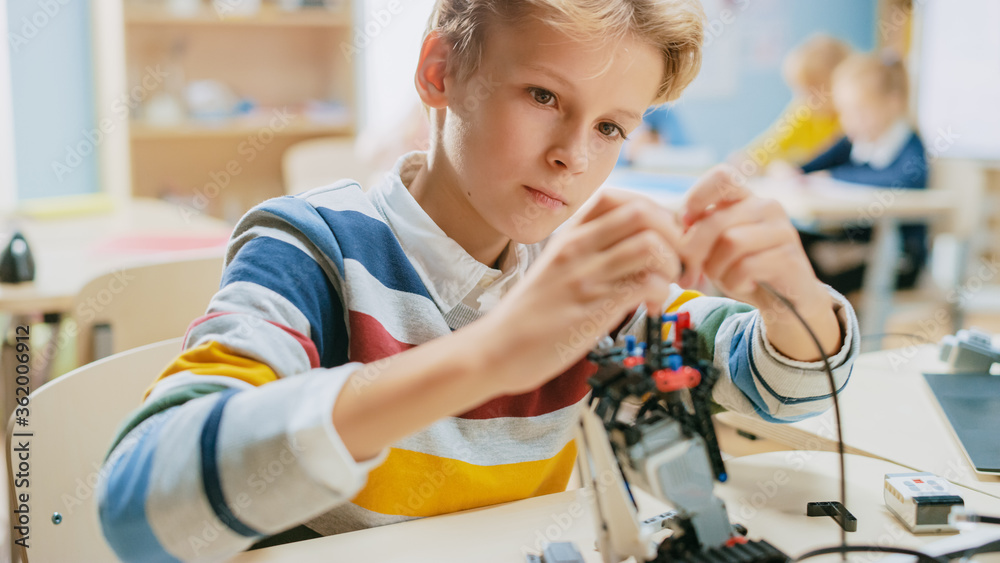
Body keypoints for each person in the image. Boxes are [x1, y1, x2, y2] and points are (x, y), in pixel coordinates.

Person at [96, 2, 860, 561]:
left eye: (610, 127)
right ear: (439, 72)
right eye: (543, 96)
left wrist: (793, 297)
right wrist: (490, 353)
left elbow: (780, 385)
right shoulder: (313, 247)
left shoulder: (580, 267)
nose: (574, 156)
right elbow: (138, 510)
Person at [799, 52, 928, 294]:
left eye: (859, 111)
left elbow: (902, 180)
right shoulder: (856, 140)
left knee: (810, 273)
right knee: (793, 241)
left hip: (900, 260)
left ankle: (830, 326)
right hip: (858, 243)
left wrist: (833, 177)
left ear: (893, 103)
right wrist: (794, 172)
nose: (849, 122)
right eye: (845, 112)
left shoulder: (909, 145)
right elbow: (813, 165)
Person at [737, 34, 852, 173]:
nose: (806, 99)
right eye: (802, 91)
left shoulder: (852, 117)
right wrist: (750, 161)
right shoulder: (803, 111)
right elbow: (768, 146)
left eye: (813, 91)